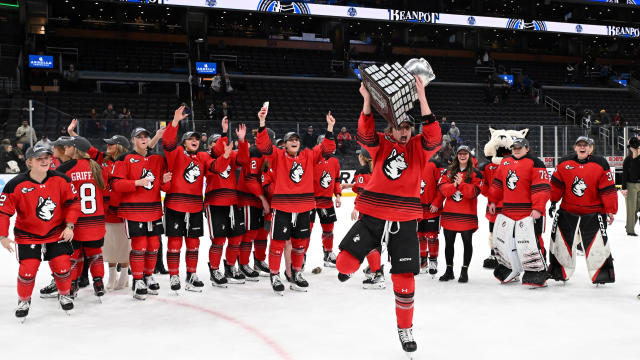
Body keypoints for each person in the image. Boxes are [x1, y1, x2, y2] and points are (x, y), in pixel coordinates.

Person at [336, 77, 441, 355]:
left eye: (408, 127)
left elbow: (434, 137)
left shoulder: (419, 148)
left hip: (404, 219)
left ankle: (405, 328)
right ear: (391, 129)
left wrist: (421, 96)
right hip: (373, 214)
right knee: (345, 265)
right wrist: (367, 100)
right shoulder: (380, 144)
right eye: (399, 127)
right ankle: (368, 253)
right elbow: (365, 130)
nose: (404, 132)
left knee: (404, 280)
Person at [256, 106, 336, 295]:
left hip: (304, 207)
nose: (294, 142)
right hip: (282, 207)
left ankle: (296, 273)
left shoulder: (308, 156)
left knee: (300, 243)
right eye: (290, 140)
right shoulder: (277, 156)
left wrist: (330, 128)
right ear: (284, 144)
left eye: (297, 140)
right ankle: (275, 275)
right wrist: (261, 123)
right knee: (277, 242)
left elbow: (326, 148)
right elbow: (264, 146)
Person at [0, 145, 78, 320]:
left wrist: (70, 225)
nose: (44, 161)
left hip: (57, 231)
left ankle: (64, 294)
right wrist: (3, 236)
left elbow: (73, 203)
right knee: (28, 269)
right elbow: (4, 212)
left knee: (62, 265)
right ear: (29, 161)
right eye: (39, 158)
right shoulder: (16, 184)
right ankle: (24, 300)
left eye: (47, 158)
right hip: (27, 233)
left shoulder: (61, 179)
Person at [163, 106, 229, 292]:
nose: (195, 141)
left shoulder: (202, 157)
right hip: (175, 204)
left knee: (193, 242)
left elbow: (217, 167)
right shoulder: (175, 153)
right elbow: (167, 141)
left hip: (194, 205)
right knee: (175, 242)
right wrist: (175, 121)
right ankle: (174, 275)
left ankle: (191, 274)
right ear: (184, 142)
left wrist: (224, 153)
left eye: (197, 139)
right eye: (191, 139)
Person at [110, 127, 170, 300]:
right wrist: (138, 182)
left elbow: (164, 187)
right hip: (133, 210)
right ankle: (137, 280)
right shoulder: (124, 158)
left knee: (154, 245)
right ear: (133, 140)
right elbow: (117, 185)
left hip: (154, 210)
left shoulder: (157, 159)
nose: (143, 139)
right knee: (140, 245)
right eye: (139, 137)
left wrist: (165, 182)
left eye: (146, 136)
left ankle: (148, 275)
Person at [548, 136, 617, 284]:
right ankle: (560, 272)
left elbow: (608, 188)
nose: (582, 147)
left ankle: (601, 274)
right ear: (575, 147)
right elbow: (556, 184)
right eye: (579, 145)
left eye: (586, 145)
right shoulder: (564, 162)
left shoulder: (600, 163)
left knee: (597, 245)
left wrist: (610, 209)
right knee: (561, 244)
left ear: (591, 148)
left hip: (593, 212)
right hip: (568, 210)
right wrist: (553, 201)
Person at [488, 138, 550, 287]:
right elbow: (498, 183)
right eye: (514, 147)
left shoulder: (536, 163)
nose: (516, 150)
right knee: (507, 242)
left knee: (532, 242)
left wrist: (537, 208)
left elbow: (542, 188)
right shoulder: (505, 161)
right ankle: (510, 268)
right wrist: (492, 201)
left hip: (528, 212)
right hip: (508, 210)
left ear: (527, 148)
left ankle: (538, 271)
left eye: (519, 147)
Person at [55, 136, 107, 299]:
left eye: (69, 146)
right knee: (95, 253)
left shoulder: (65, 168)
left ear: (75, 149)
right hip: (97, 221)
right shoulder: (97, 167)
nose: (66, 148)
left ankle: (72, 285)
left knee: (74, 255)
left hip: (75, 222)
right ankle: (98, 283)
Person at [204, 117, 250, 286]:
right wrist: (223, 133)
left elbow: (244, 160)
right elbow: (216, 166)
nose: (221, 144)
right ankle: (214, 269)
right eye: (216, 142)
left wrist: (242, 140)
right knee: (219, 240)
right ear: (210, 146)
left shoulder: (231, 156)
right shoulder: (205, 157)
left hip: (232, 202)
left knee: (236, 238)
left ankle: (230, 267)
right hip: (215, 204)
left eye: (222, 141)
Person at [437, 145, 483, 283]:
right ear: (456, 155)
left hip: (467, 215)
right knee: (448, 244)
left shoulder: (476, 173)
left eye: (465, 153)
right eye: (460, 153)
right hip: (450, 214)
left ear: (469, 156)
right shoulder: (448, 171)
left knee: (467, 242)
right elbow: (443, 190)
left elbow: (473, 193)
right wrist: (454, 186)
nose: (462, 156)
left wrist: (461, 184)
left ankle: (464, 271)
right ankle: (449, 270)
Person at [237, 128, 273, 277]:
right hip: (249, 198)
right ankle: (243, 263)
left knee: (262, 232)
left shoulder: (267, 154)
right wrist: (263, 199)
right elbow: (250, 179)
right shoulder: (254, 152)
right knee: (250, 232)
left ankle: (259, 260)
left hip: (261, 199)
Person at [311, 134, 342, 267]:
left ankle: (328, 254)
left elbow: (337, 180)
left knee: (328, 229)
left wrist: (338, 195)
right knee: (306, 230)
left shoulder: (335, 161)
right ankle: (301, 257)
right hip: (311, 200)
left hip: (326, 201)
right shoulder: (312, 158)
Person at [418, 157, 445, 276]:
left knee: (432, 235)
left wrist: (437, 202)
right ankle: (422, 260)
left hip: (432, 208)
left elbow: (442, 185)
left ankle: (433, 261)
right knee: (420, 235)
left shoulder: (435, 164)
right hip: (417, 208)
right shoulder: (412, 162)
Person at [621, 137, 640, 236]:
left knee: (637, 209)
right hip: (631, 185)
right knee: (631, 209)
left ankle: (629, 225)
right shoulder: (628, 159)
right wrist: (623, 188)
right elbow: (625, 174)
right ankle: (630, 230)